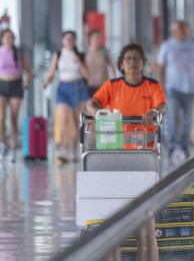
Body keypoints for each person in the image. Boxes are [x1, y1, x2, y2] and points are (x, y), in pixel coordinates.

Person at [87, 43, 168, 261]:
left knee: (147, 231)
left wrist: (153, 113)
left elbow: (162, 108)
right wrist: (92, 109)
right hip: (114, 161)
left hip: (144, 162)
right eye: (127, 59)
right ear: (121, 63)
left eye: (136, 59)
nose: (132, 63)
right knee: (110, 230)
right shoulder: (112, 86)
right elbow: (94, 103)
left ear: (143, 62)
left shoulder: (152, 87)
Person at [156, 20, 194, 164]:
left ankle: (184, 147)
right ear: (174, 31)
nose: (183, 32)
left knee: (187, 120)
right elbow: (161, 67)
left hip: (190, 88)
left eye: (185, 29)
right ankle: (172, 147)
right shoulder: (167, 46)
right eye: (180, 29)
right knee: (171, 118)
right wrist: (161, 87)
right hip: (173, 88)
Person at [42, 30, 89, 162]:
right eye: (67, 38)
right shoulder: (58, 54)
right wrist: (46, 82)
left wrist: (79, 62)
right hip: (63, 88)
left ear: (74, 41)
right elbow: (52, 72)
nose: (69, 41)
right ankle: (64, 149)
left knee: (76, 122)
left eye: (72, 38)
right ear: (62, 41)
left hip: (77, 87)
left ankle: (74, 150)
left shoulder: (79, 55)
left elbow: (87, 75)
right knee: (63, 121)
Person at [0, 30, 32, 161]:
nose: (9, 39)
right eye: (7, 37)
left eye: (11, 37)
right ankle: (2, 144)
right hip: (2, 85)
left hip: (16, 85)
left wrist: (26, 81)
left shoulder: (19, 52)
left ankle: (13, 148)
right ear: (2, 39)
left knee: (13, 118)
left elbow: (28, 70)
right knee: (1, 117)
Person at [84, 29, 116, 98]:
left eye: (100, 38)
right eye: (96, 38)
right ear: (90, 39)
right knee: (92, 107)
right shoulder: (85, 53)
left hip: (103, 85)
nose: (99, 40)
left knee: (103, 107)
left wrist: (113, 80)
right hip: (90, 86)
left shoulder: (105, 51)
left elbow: (112, 67)